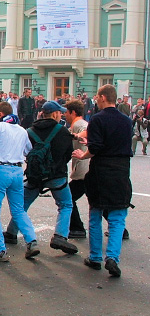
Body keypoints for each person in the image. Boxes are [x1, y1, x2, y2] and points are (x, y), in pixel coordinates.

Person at [72, 84, 133, 277]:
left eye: (97, 97)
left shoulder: (97, 119)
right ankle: (113, 258)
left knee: (95, 214)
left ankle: (96, 257)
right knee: (117, 217)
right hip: (121, 172)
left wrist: (84, 154)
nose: (96, 100)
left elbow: (97, 147)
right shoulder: (126, 121)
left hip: (101, 171)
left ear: (104, 97)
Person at [4, 100, 78, 255]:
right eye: (60, 112)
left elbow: (24, 152)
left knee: (22, 205)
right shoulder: (62, 131)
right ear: (55, 114)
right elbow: (68, 154)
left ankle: (11, 232)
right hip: (57, 174)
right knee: (65, 204)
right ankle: (60, 236)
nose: (61, 115)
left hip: (35, 175)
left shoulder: (29, 131)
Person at [0, 101, 40, 261]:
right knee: (18, 209)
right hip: (17, 171)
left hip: (0, 170)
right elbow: (28, 150)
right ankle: (31, 240)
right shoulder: (22, 130)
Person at [64, 100, 90, 239]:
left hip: (84, 170)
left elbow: (88, 130)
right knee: (97, 200)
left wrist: (78, 135)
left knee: (67, 198)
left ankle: (77, 228)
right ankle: (121, 230)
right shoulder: (74, 125)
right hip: (86, 169)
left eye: (66, 112)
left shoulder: (79, 124)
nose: (65, 115)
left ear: (73, 112)